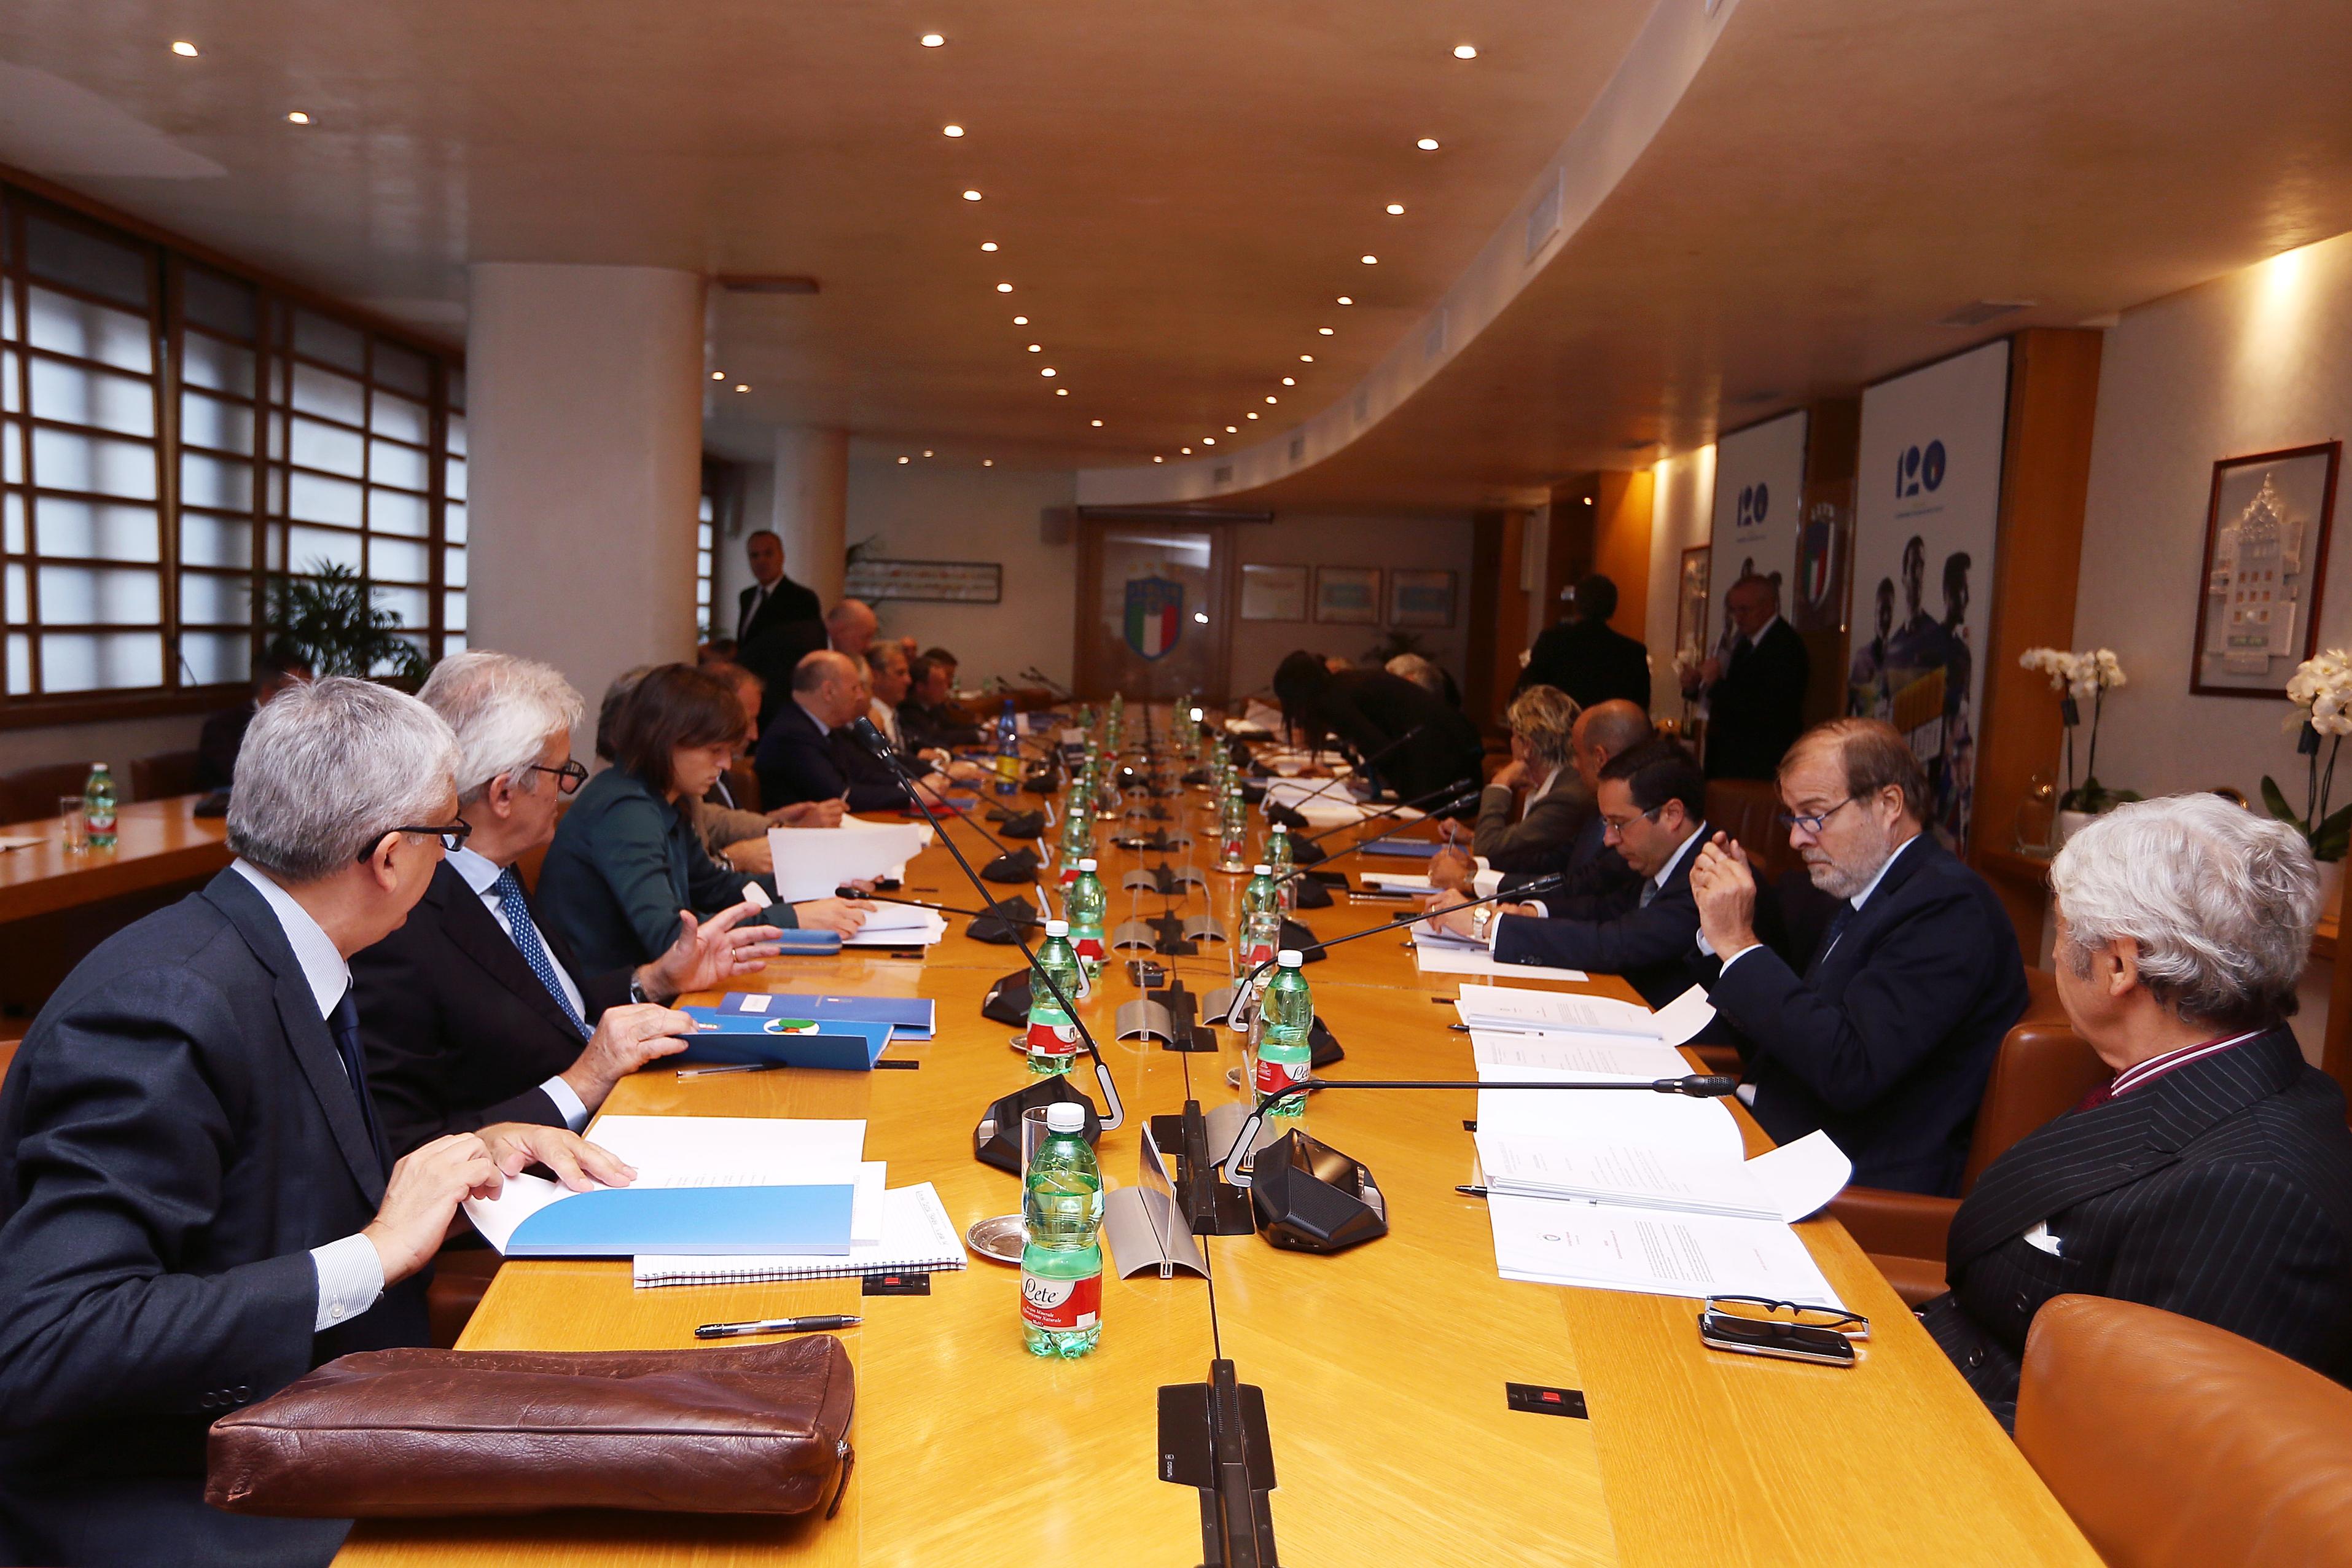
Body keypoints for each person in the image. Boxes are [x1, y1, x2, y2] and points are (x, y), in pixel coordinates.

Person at [0, 677, 627, 1567]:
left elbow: (283, 1187)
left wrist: (471, 1152)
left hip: (320, 1409)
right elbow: (54, 1336)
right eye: (446, 835)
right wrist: (373, 1253)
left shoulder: (281, 950)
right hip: (178, 1475)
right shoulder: (166, 1004)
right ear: (391, 857)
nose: (450, 859)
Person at [1918, 795, 2352, 1430]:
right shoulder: (2196, 1077)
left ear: (2118, 965)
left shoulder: (2256, 1190)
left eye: (2062, 929)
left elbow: (2147, 1449)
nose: (2055, 950)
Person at [353, 652, 791, 1159]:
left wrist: (654, 980)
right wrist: (584, 1081)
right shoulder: (399, 923)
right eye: (561, 772)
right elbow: (410, 1151)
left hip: (621, 1110)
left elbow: (551, 1009)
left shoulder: (497, 873)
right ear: (503, 793)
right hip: (544, 1171)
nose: (567, 788)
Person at [1688, 717, 2028, 1194]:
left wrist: (1738, 945)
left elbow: (1851, 1069)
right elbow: (1790, 1042)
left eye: (1814, 815)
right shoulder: (1871, 890)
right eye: (1792, 817)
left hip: (1845, 1182)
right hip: (1778, 1136)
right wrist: (1722, 933)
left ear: (1888, 804)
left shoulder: (1948, 908)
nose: (1796, 838)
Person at [539, 664, 869, 975]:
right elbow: (671, 939)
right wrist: (794, 918)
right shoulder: (624, 810)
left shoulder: (663, 798)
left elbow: (714, 888)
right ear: (666, 742)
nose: (726, 764)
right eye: (715, 751)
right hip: (609, 998)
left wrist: (820, 886)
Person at [1424, 739, 1716, 1008]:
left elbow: (1615, 943)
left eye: (1619, 824)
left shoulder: (1710, 876)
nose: (1609, 839)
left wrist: (1487, 925)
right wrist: (1529, 913)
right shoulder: (1657, 855)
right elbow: (1601, 909)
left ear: (1672, 815)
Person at [1429, 698, 1650, 903]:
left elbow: (1576, 888)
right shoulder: (1599, 808)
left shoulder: (1600, 808)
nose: (1574, 765)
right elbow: (1552, 862)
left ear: (1600, 757)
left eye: (1577, 754)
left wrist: (1469, 880)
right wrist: (1476, 867)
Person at [1271, 649, 1485, 806]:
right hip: (1451, 750)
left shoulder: (1334, 700)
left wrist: (1376, 786)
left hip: (1443, 761)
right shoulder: (1343, 685)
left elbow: (1382, 751)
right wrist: (1373, 783)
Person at [756, 650, 955, 814]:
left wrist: (910, 784)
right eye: (855, 689)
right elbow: (840, 795)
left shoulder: (826, 728)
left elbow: (864, 772)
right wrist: (910, 795)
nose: (860, 696)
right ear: (828, 692)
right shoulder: (792, 734)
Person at [694, 663, 843, 875]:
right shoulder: (684, 781)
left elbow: (719, 823)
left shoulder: (716, 766)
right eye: (748, 721)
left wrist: (778, 823)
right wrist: (734, 860)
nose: (754, 735)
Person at [1448, 685, 1593, 875]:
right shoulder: (1561, 784)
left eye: (1514, 736)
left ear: (1527, 747)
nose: (1511, 742)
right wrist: (1473, 839)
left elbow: (1488, 849)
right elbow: (1525, 854)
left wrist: (1500, 784)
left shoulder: (1566, 798)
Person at [1687, 572, 1809, 781]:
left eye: (1744, 609)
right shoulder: (1745, 643)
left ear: (1768, 607)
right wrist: (1696, 685)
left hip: (1758, 764)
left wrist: (1716, 683)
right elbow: (1729, 698)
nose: (1738, 618)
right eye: (1733, 610)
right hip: (1730, 761)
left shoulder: (1785, 646)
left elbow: (1765, 709)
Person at [732, 531, 827, 727]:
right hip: (747, 689)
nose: (761, 561)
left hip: (780, 694)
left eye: (768, 554)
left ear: (781, 556)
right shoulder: (747, 597)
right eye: (755, 556)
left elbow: (807, 650)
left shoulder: (801, 598)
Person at [1516, 575, 1652, 711]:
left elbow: (1525, 693)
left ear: (1576, 604)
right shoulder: (1633, 652)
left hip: (1562, 723)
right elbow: (1640, 709)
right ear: (1613, 607)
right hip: (1612, 724)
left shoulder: (1552, 641)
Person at [195, 639, 311, 790]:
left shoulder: (309, 723)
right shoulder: (222, 727)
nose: (309, 698)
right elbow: (241, 778)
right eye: (300, 691)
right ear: (269, 692)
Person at [866, 645, 987, 786]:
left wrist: (939, 758)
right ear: (876, 677)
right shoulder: (869, 719)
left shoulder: (893, 713)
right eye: (900, 673)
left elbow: (918, 746)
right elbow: (886, 767)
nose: (908, 681)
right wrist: (940, 770)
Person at [902, 653, 984, 749]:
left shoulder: (933, 706)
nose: (946, 688)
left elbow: (951, 727)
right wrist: (979, 735)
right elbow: (936, 739)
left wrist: (981, 728)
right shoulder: (908, 710)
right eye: (939, 684)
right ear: (921, 687)